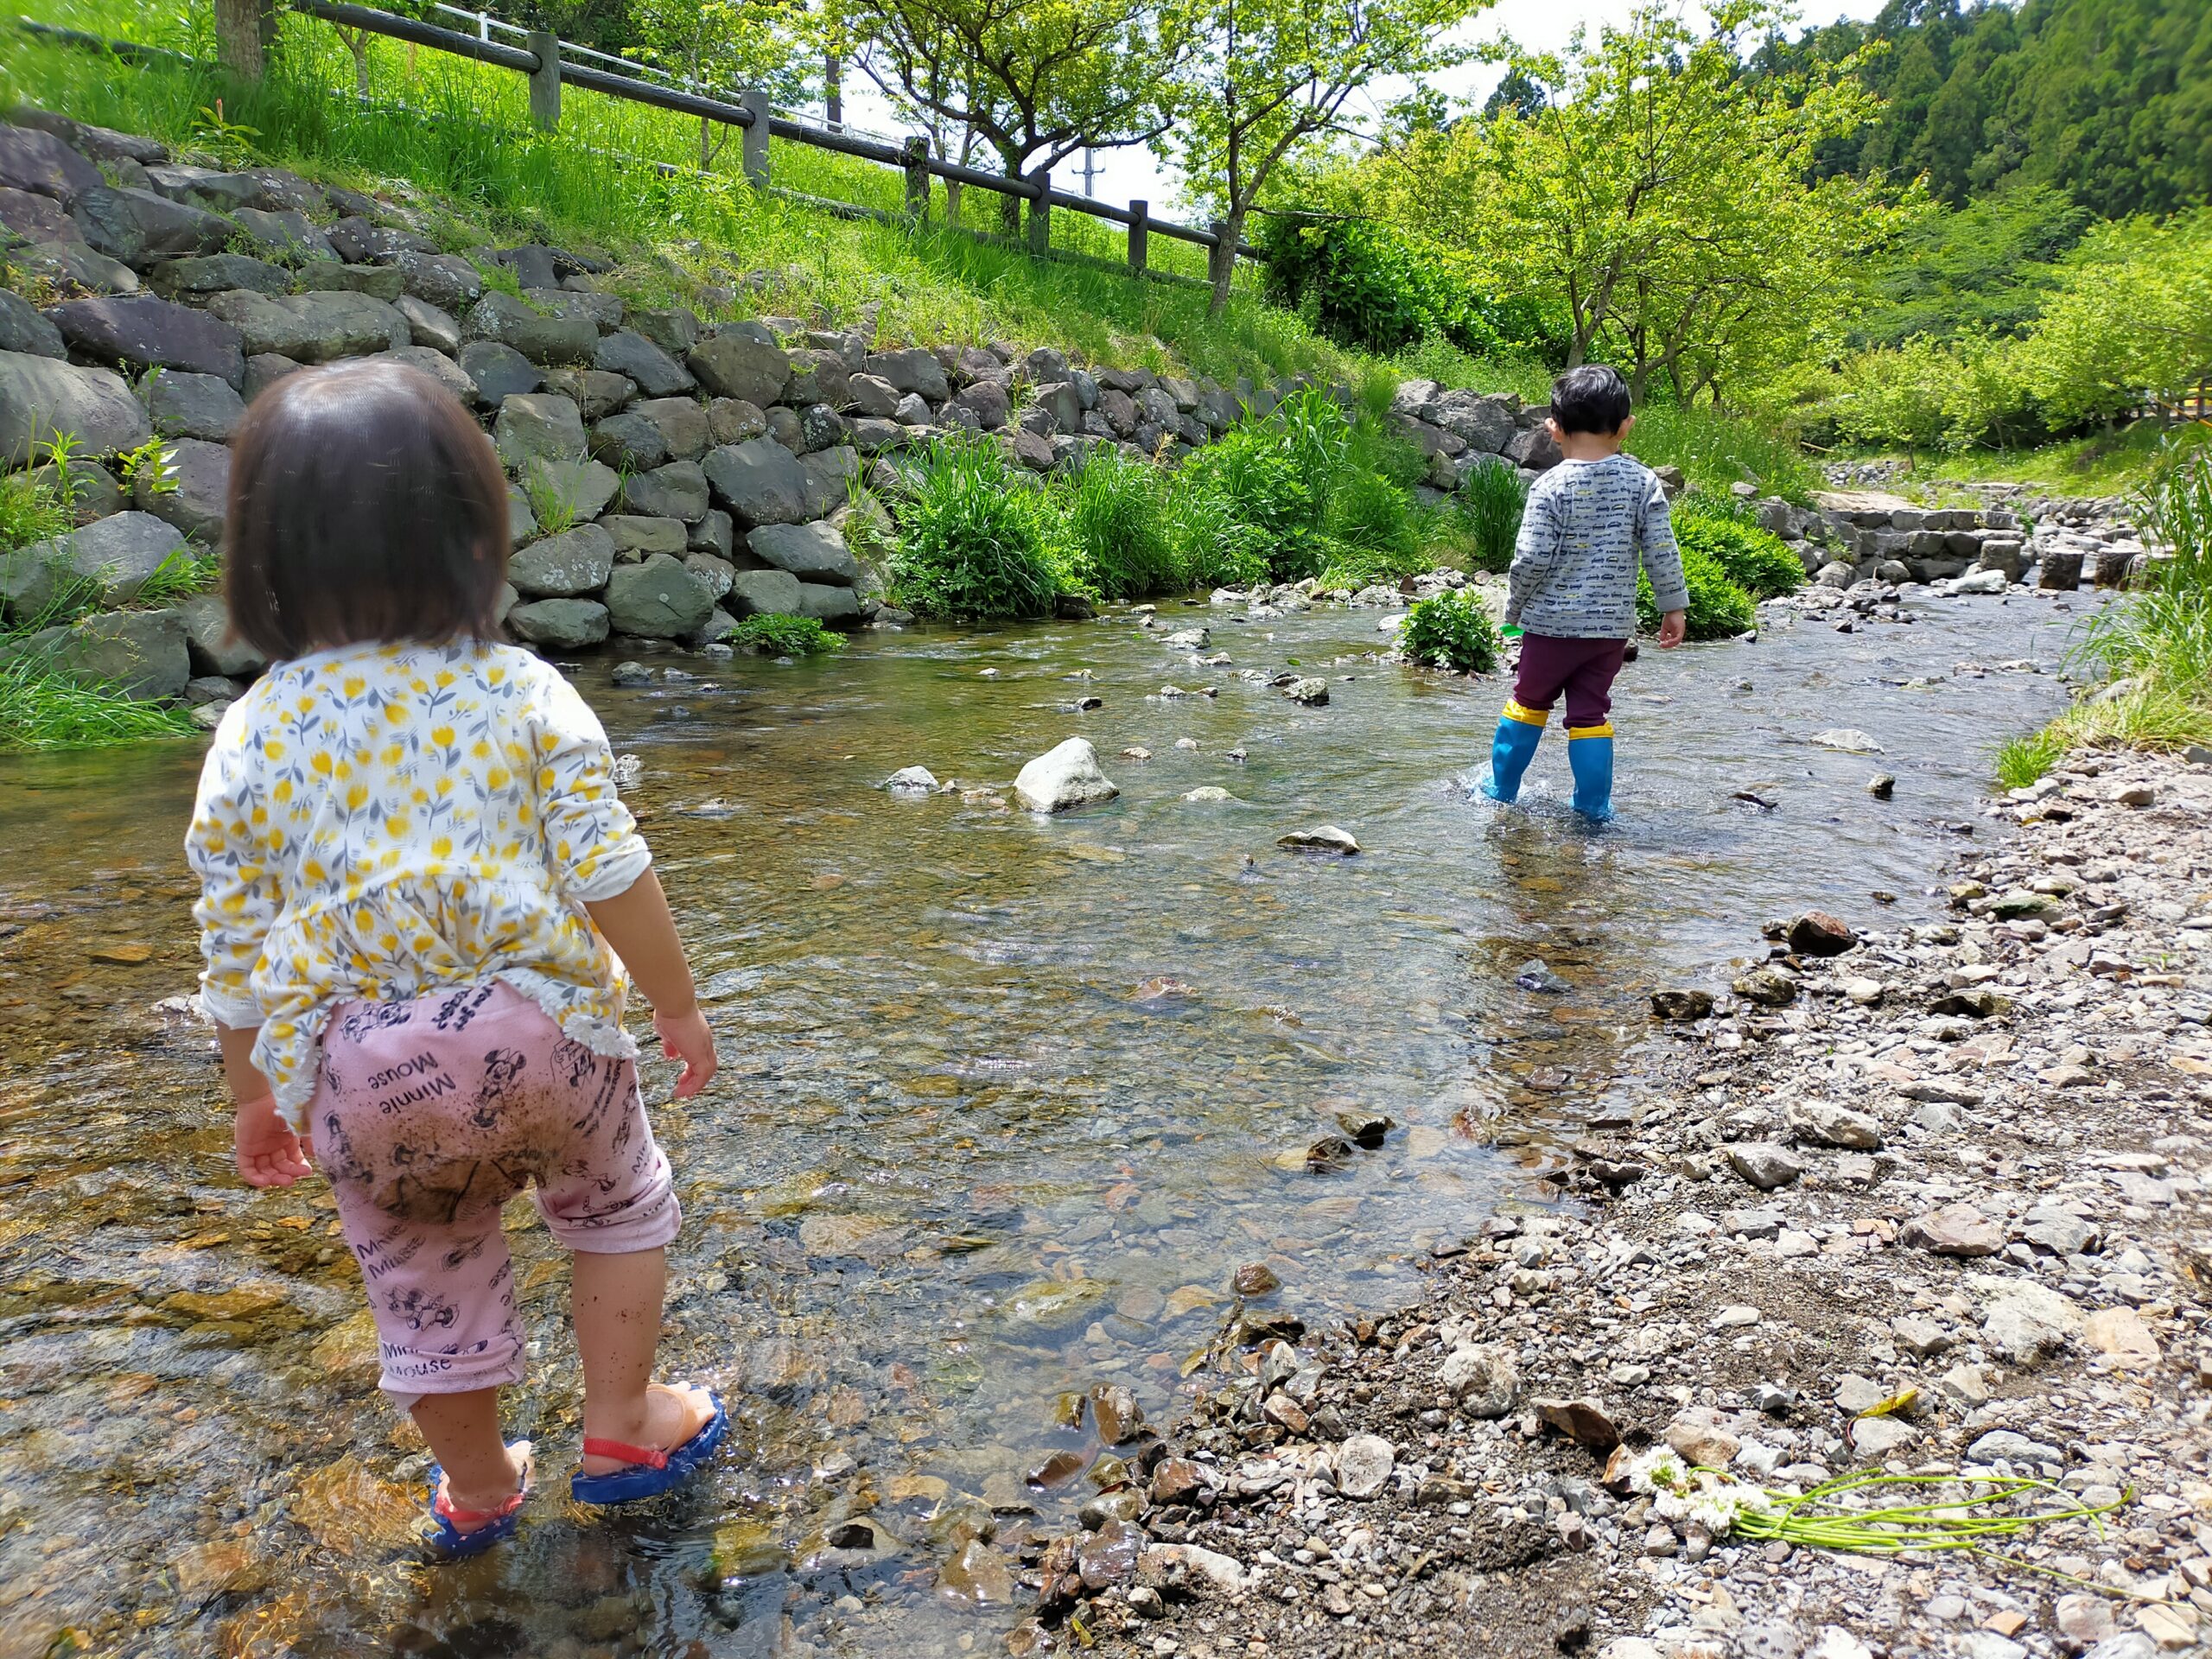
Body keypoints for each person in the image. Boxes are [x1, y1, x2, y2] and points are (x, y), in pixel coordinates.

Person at [185, 360, 726, 1559]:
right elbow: (609, 866)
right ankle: (625, 1424)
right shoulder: (521, 689)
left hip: (364, 1070)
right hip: (542, 1035)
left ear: (261, 559)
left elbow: (231, 947)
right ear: (473, 535)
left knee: (420, 1274)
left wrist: (253, 1098)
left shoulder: (252, 733)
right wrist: (680, 1008)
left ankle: (480, 1489)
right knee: (617, 1203)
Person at [1485, 365, 1688, 822]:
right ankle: (1593, 807)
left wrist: (1514, 609)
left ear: (1553, 428)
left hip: (1551, 627)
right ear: (1625, 427)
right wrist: (1672, 607)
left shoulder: (1549, 485)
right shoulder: (1643, 483)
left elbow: (1531, 558)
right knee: (1590, 714)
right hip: (1609, 631)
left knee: (1529, 701)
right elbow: (1661, 551)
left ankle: (1500, 790)